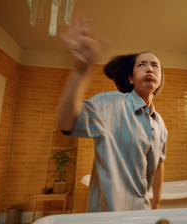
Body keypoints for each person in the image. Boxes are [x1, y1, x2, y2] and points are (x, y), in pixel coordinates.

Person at [56, 16, 168, 212]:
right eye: (142, 64)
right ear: (131, 78)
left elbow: (159, 165)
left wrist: (156, 206)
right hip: (107, 217)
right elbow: (66, 123)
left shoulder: (159, 123)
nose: (150, 68)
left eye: (155, 65)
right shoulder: (110, 104)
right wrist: (80, 72)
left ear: (159, 78)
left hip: (142, 213)